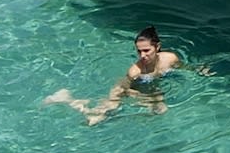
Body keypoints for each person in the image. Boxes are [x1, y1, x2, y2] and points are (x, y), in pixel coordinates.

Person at [45, 25, 211, 125]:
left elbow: (182, 67)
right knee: (100, 116)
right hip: (129, 87)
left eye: (147, 50)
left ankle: (71, 99)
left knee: (159, 111)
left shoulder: (170, 58)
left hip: (151, 88)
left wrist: (196, 69)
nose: (142, 55)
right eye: (139, 51)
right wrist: (121, 99)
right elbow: (124, 86)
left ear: (157, 47)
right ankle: (66, 98)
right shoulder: (135, 70)